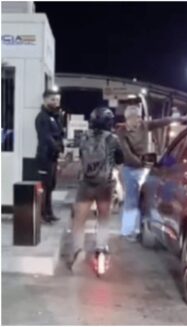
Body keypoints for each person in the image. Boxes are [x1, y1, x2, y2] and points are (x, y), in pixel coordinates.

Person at [67, 107, 124, 270]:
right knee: (103, 217)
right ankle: (101, 248)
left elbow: (81, 158)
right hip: (105, 185)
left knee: (79, 220)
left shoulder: (84, 136)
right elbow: (120, 161)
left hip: (86, 183)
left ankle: (78, 250)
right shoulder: (113, 139)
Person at [117, 105, 181, 241]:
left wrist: (178, 118)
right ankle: (128, 231)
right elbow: (127, 154)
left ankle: (147, 227)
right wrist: (141, 163)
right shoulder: (122, 132)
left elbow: (161, 122)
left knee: (150, 197)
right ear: (129, 119)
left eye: (140, 117)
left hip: (144, 167)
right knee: (131, 200)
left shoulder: (144, 126)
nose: (139, 120)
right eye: (136, 118)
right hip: (130, 168)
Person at [35, 89, 65, 223]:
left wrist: (60, 146)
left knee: (51, 185)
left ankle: (49, 212)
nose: (56, 102)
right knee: (44, 186)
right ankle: (42, 214)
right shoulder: (42, 117)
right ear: (45, 100)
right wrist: (57, 146)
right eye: (53, 99)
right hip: (44, 157)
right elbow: (46, 137)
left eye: (57, 100)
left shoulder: (55, 116)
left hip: (53, 157)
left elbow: (59, 134)